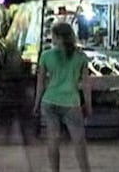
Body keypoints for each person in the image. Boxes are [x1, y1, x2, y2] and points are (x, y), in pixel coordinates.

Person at [34, 22, 91, 172]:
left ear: (58, 37)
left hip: (49, 101)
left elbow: (40, 83)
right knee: (79, 141)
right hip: (71, 103)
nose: (51, 38)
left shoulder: (45, 56)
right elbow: (86, 85)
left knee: (53, 139)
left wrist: (36, 103)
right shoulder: (81, 57)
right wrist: (88, 105)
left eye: (53, 35)